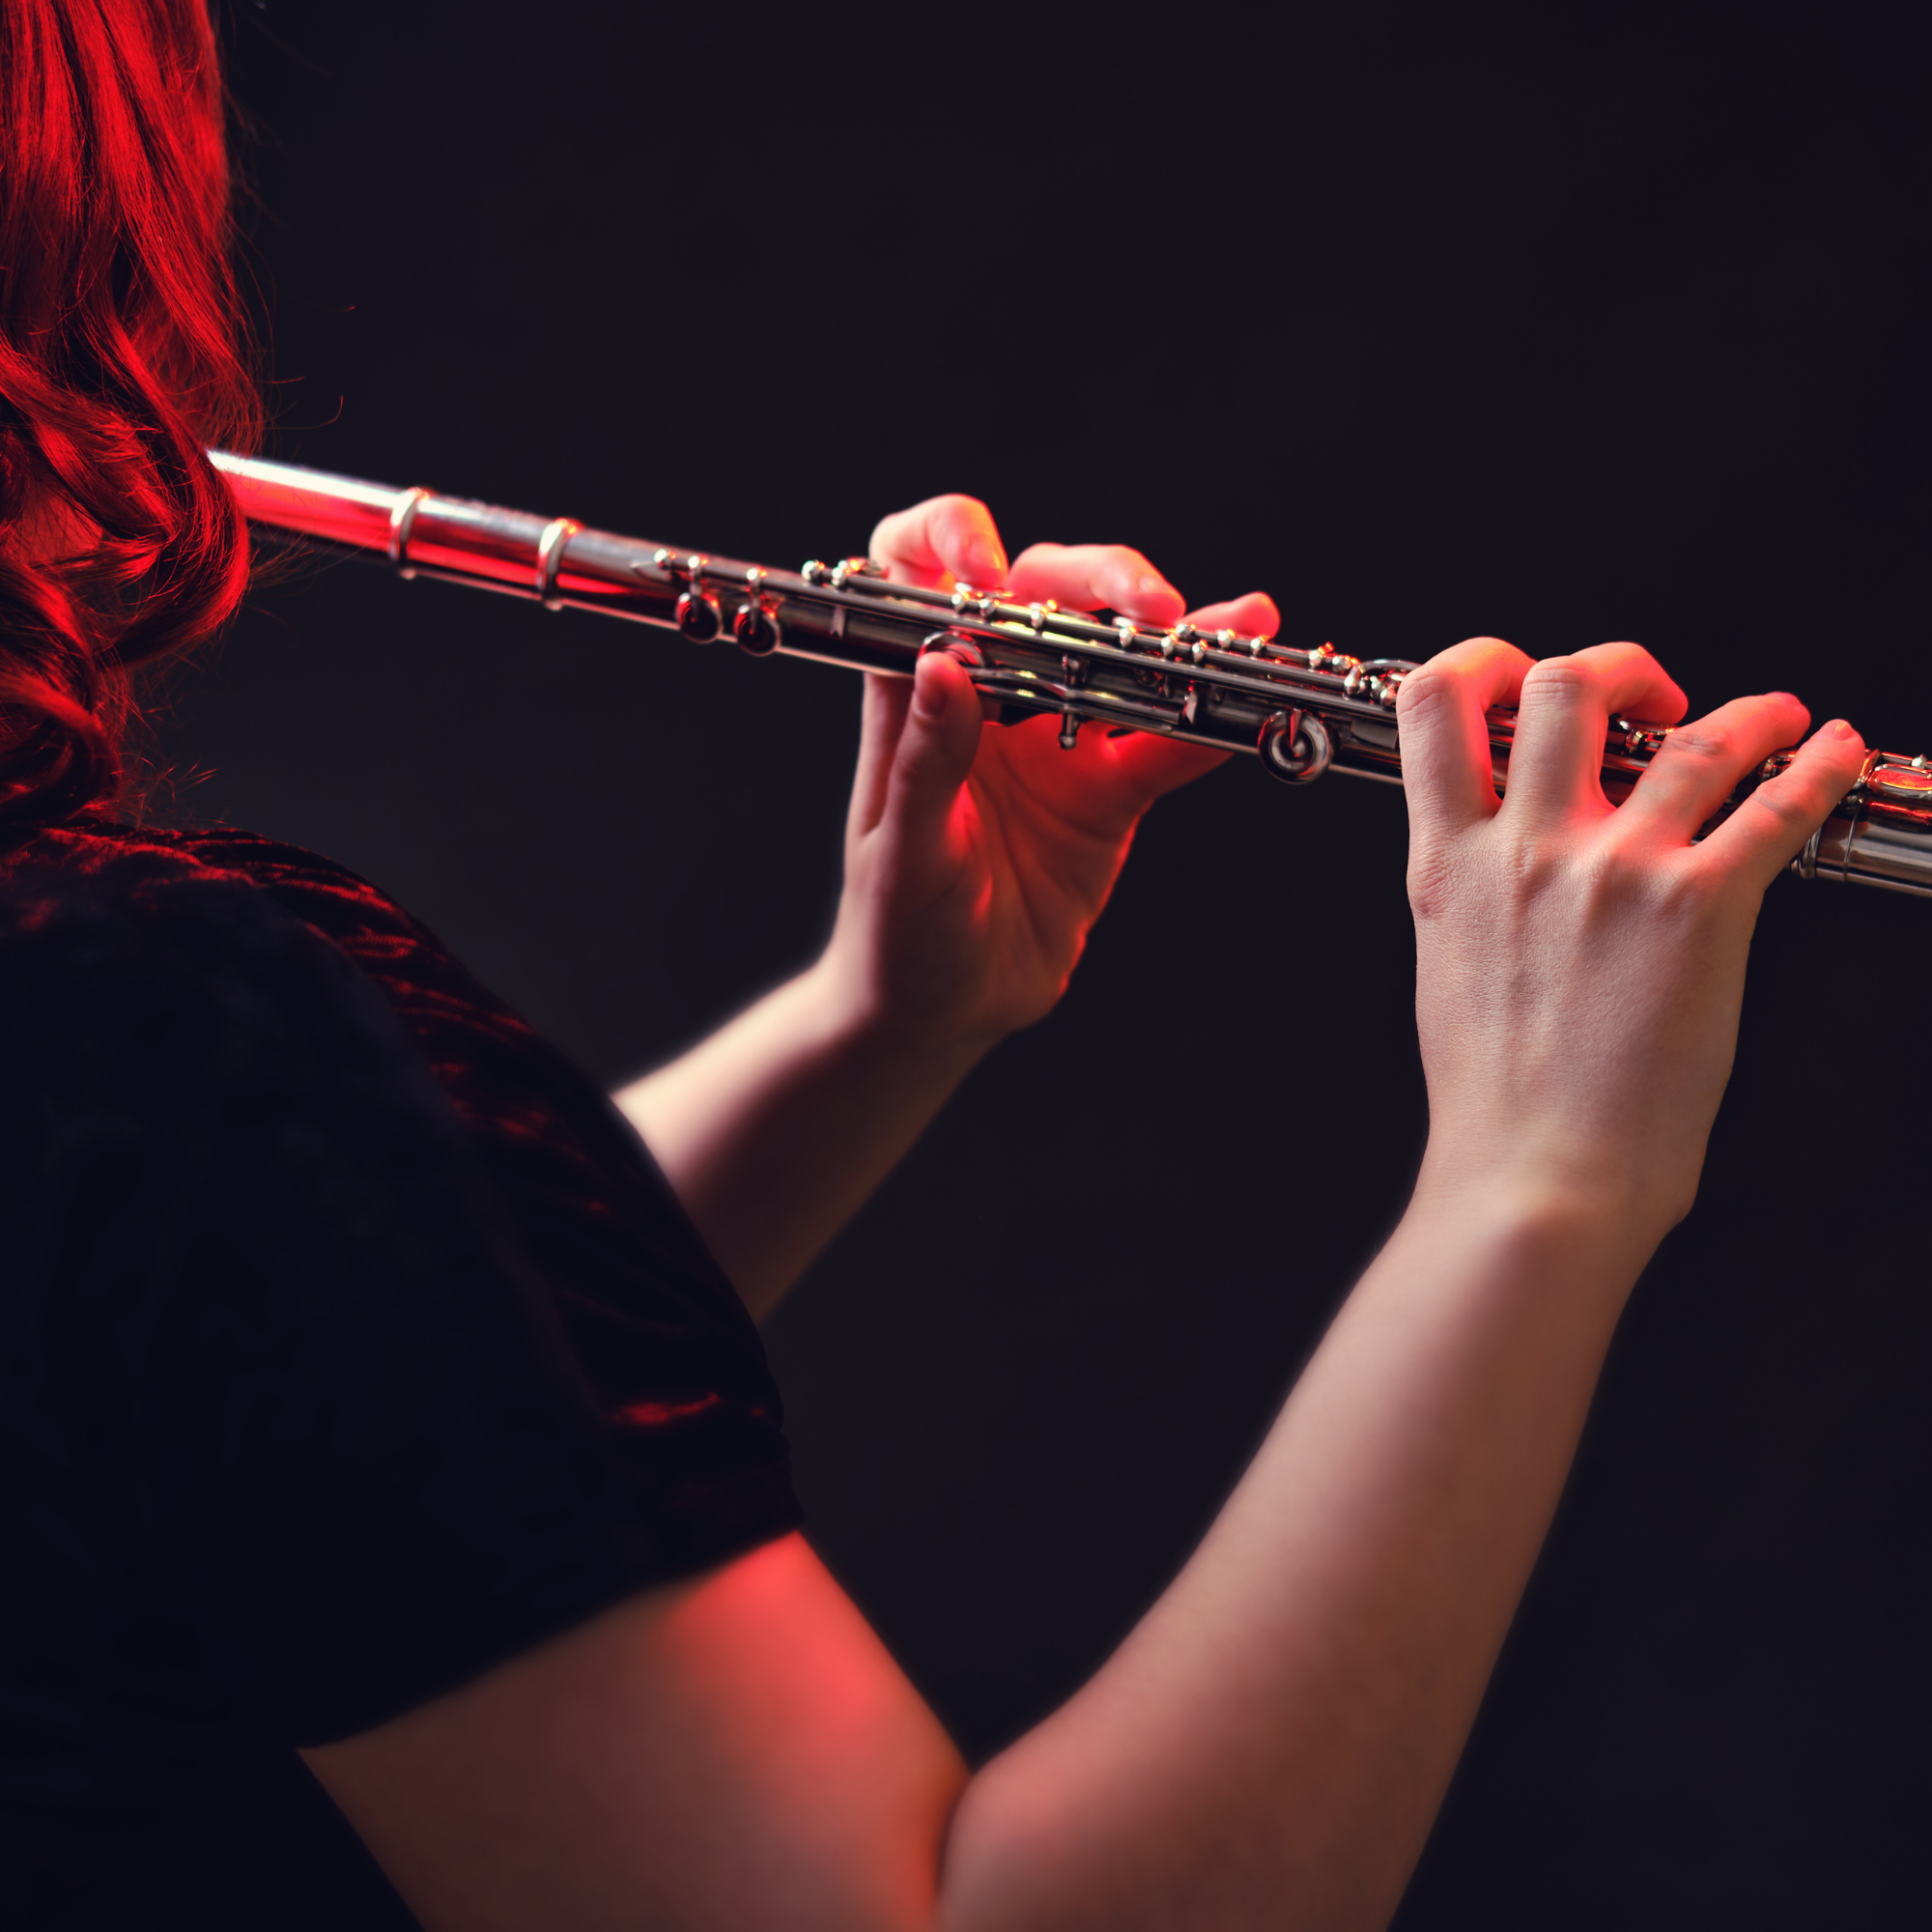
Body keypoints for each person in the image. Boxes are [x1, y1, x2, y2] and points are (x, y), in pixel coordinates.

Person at [0, 4, 1869, 1928]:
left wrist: (882, 1020)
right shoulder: (142, 1018)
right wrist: (1534, 1172)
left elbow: (302, 1397)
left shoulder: (112, 1049)